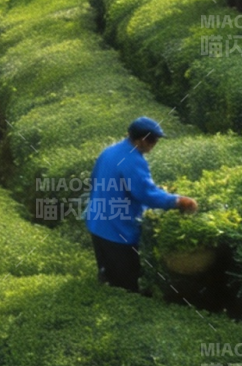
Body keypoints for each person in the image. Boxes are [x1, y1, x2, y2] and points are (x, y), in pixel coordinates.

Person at [84, 117, 197, 292]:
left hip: (97, 224)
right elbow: (146, 194)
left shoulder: (110, 151)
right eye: (153, 140)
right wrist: (178, 201)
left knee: (107, 277)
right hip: (117, 232)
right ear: (141, 140)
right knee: (126, 285)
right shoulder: (132, 160)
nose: (154, 145)